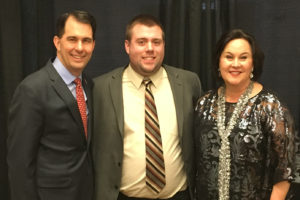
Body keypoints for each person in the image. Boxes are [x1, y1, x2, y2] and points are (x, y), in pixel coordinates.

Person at [92, 14, 202, 200]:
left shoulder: (188, 83)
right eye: (141, 42)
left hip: (178, 196)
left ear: (163, 46)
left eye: (156, 42)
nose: (150, 49)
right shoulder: (101, 88)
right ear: (127, 46)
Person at [194, 29, 297, 200]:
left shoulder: (271, 107)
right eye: (228, 57)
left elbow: (285, 169)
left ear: (253, 64)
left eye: (243, 57)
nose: (235, 64)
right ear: (219, 62)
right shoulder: (203, 104)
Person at [7, 10, 96, 200]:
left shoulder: (89, 84)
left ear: (93, 45)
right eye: (72, 39)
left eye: (86, 40)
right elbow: (20, 164)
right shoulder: (32, 89)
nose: (80, 47)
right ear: (57, 42)